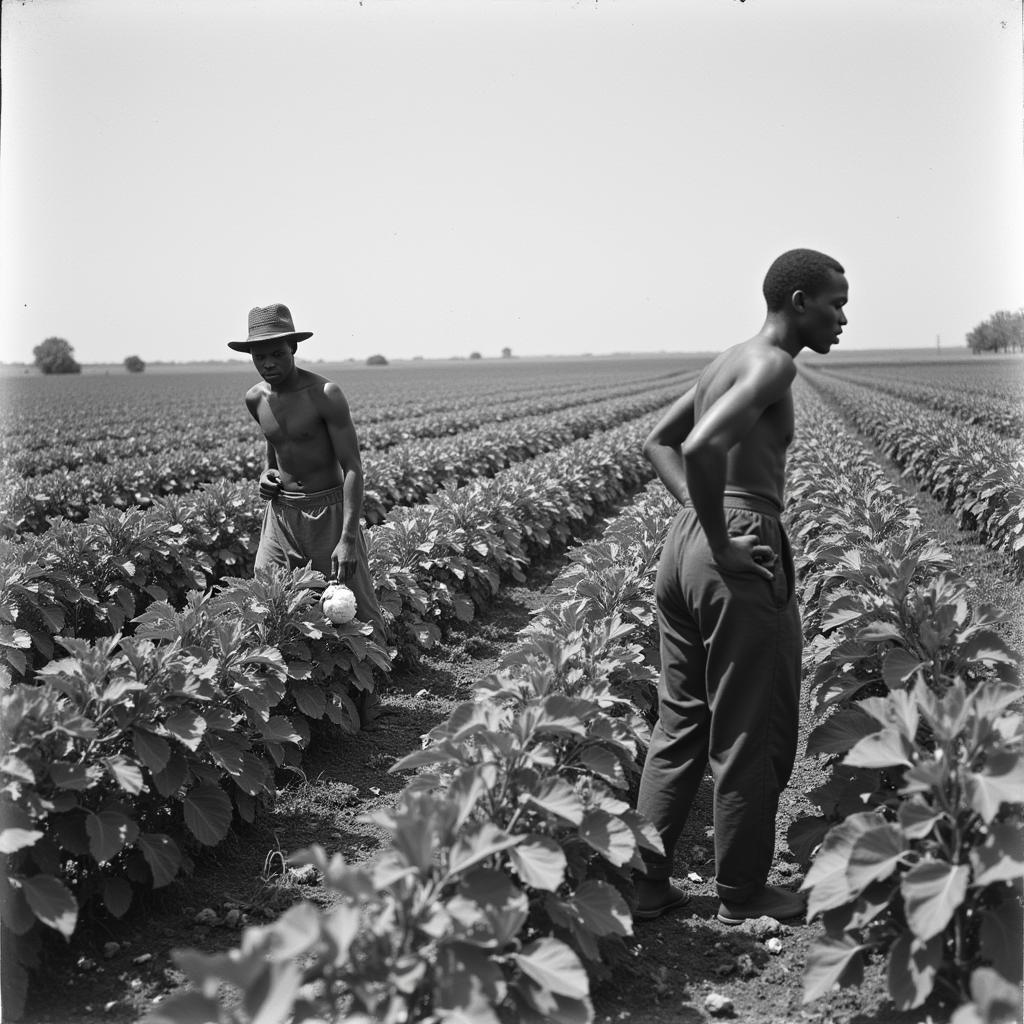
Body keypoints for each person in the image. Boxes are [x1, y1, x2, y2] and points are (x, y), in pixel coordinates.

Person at [634, 248, 848, 925]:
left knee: (680, 722)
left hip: (684, 549)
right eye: (835, 302)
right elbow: (696, 448)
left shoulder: (729, 358)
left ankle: (644, 881)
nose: (843, 318)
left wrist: (701, 524)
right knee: (753, 728)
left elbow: (658, 443)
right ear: (797, 302)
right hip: (737, 543)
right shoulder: (774, 363)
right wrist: (725, 540)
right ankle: (743, 892)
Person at [228, 303, 386, 642]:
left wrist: (347, 539)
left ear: (294, 349)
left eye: (277, 354)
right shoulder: (255, 399)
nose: (268, 363)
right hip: (281, 513)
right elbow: (274, 448)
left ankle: (375, 678)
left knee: (346, 604)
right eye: (259, 357)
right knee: (268, 595)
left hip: (326, 512)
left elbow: (353, 468)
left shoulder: (324, 394)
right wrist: (265, 473)